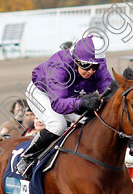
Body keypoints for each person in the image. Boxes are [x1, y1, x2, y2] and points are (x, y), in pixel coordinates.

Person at [17, 36, 112, 176]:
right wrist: (83, 103)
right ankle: (27, 159)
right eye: (86, 66)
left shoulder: (98, 65)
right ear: (76, 60)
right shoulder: (59, 67)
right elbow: (58, 104)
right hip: (41, 93)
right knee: (57, 124)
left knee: (90, 122)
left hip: (69, 94)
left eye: (95, 67)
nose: (91, 71)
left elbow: (109, 92)